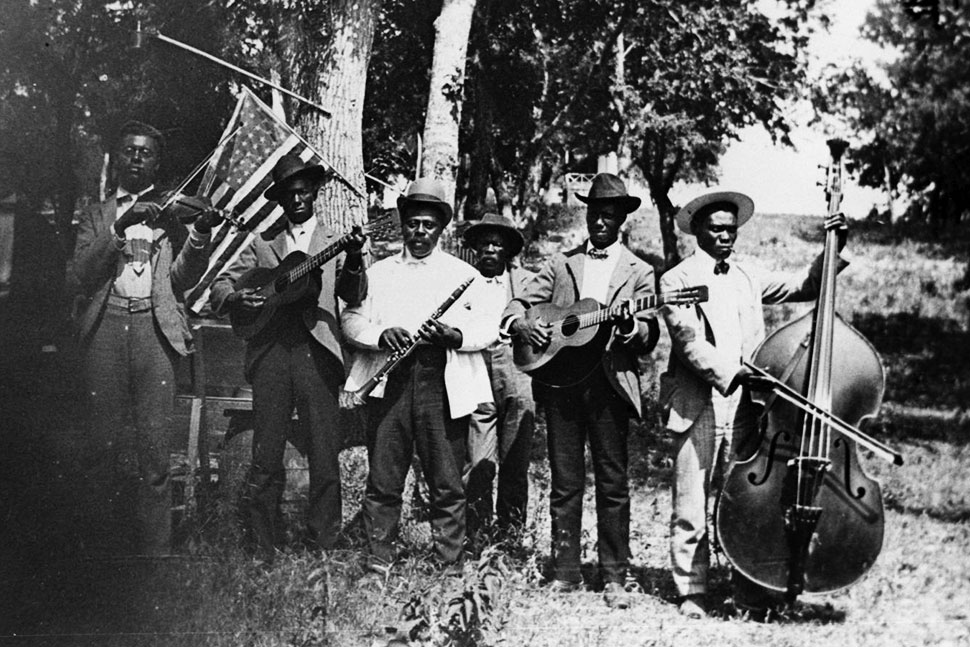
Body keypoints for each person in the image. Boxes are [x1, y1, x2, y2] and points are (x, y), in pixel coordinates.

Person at [659, 191, 848, 620]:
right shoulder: (675, 278)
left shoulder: (748, 273)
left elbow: (807, 284)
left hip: (747, 407)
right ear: (698, 231)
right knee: (691, 501)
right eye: (716, 229)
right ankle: (692, 590)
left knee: (743, 497)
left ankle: (745, 583)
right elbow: (689, 343)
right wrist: (736, 372)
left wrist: (834, 246)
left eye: (731, 229)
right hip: (698, 403)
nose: (726, 236)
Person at [502, 173, 660, 609]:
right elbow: (520, 301)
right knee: (565, 481)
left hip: (609, 385)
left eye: (609, 214)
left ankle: (614, 577)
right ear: (586, 214)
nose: (601, 221)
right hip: (561, 385)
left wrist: (630, 324)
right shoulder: (561, 263)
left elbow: (649, 333)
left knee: (612, 483)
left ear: (621, 219)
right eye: (594, 212)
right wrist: (522, 324)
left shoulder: (639, 271)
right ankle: (565, 572)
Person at [68, 120, 221, 555]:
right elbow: (79, 274)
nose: (136, 158)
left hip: (156, 331)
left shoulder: (171, 213)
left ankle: (155, 557)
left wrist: (200, 233)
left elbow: (183, 280)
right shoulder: (97, 213)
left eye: (146, 153)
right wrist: (120, 229)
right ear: (117, 158)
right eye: (129, 150)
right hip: (106, 328)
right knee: (102, 445)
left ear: (157, 162)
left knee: (155, 451)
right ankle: (99, 551)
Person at [209, 154, 367, 560]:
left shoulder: (334, 240)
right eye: (288, 194)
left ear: (314, 192)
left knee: (323, 452)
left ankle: (322, 548)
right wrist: (235, 297)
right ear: (279, 199)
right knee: (267, 452)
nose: (297, 199)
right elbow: (221, 284)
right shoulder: (264, 242)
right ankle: (261, 547)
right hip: (272, 352)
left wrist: (352, 258)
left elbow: (355, 295)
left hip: (317, 353)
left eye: (303, 191)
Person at [342, 177, 498, 572]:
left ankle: (449, 562)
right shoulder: (379, 272)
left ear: (441, 227)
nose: (420, 232)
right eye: (413, 223)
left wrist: (455, 335)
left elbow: (488, 327)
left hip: (441, 380)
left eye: (428, 224)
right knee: (384, 475)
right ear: (403, 224)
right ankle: (379, 559)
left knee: (446, 478)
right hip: (391, 379)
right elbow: (351, 319)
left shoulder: (465, 275)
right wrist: (380, 335)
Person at [461, 213, 537, 543]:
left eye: (498, 244)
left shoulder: (528, 282)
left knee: (516, 459)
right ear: (475, 248)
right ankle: (476, 536)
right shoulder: (463, 281)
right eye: (484, 244)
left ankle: (511, 537)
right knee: (478, 460)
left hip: (517, 368)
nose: (490, 249)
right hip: (475, 367)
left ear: (508, 250)